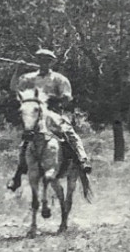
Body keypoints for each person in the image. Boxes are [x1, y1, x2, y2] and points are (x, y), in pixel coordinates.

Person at [8, 48, 92, 188]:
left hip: (53, 113)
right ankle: (18, 174)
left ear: (51, 63)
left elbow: (67, 97)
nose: (43, 63)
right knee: (26, 141)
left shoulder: (59, 79)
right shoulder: (29, 78)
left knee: (69, 133)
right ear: (37, 61)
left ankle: (82, 159)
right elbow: (14, 87)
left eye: (47, 61)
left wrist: (52, 99)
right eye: (41, 60)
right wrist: (18, 70)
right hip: (35, 115)